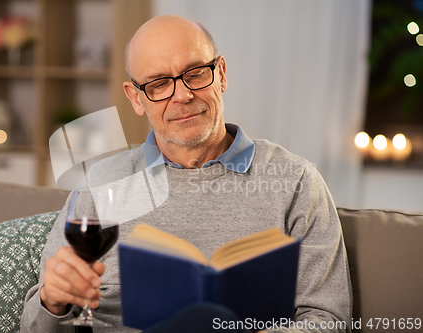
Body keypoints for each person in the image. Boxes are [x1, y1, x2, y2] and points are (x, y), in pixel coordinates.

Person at [21, 15, 352, 333]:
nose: (182, 95)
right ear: (136, 97)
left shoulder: (295, 181)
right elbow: (33, 329)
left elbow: (328, 317)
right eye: (159, 83)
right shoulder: (100, 184)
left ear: (221, 73)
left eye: (195, 73)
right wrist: (53, 300)